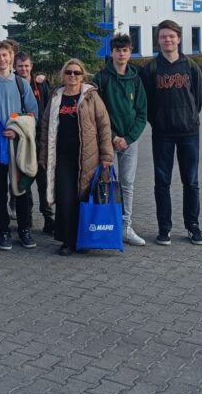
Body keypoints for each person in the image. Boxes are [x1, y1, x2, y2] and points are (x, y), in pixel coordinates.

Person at [139, 20, 202, 247]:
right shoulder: (151, 68)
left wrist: (188, 117)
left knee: (191, 182)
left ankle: (193, 226)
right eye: (163, 36)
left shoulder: (190, 66)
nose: (167, 40)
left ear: (178, 38)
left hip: (189, 133)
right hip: (162, 134)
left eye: (171, 36)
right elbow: (146, 101)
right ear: (158, 40)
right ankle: (164, 228)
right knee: (162, 182)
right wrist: (158, 121)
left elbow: (198, 97)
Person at [39, 59, 114, 256]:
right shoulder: (56, 96)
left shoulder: (91, 96)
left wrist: (106, 155)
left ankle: (84, 239)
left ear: (83, 76)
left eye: (77, 73)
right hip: (62, 156)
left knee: (83, 197)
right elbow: (46, 126)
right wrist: (44, 155)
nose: (72, 76)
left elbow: (104, 126)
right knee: (65, 198)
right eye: (69, 72)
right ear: (63, 75)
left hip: (87, 156)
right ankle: (67, 241)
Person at [0, 40, 40, 250]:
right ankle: (3, 231)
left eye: (5, 55)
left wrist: (18, 130)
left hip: (18, 146)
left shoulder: (22, 84)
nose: (1, 59)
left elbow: (33, 114)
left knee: (21, 189)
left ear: (11, 56)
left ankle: (24, 230)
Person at [94, 33, 148, 246]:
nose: (121, 54)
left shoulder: (136, 79)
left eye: (125, 50)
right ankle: (104, 224)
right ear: (112, 52)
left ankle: (125, 226)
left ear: (130, 52)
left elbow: (142, 113)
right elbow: (98, 113)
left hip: (129, 142)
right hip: (107, 140)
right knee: (103, 182)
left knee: (127, 184)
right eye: (118, 50)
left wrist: (129, 138)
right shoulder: (101, 78)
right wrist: (114, 136)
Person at [15, 51, 52, 234]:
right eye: (20, 66)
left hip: (41, 139)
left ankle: (48, 217)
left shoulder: (41, 84)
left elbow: (50, 109)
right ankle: (26, 219)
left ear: (32, 66)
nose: (23, 69)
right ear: (15, 67)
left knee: (44, 181)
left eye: (26, 66)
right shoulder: (13, 84)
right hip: (21, 140)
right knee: (24, 180)